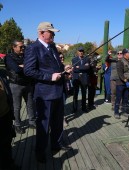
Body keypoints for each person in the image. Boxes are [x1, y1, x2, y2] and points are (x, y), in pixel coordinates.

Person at [24, 22, 72, 163]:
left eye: (53, 32)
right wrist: (49, 77)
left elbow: (57, 65)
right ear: (41, 33)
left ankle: (56, 144)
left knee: (57, 122)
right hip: (45, 94)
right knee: (44, 125)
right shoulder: (33, 48)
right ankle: (40, 152)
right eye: (51, 32)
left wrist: (65, 68)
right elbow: (28, 70)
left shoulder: (52, 47)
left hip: (58, 91)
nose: (53, 34)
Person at [4, 40, 36, 134]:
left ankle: (32, 122)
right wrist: (24, 67)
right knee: (17, 106)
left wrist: (23, 66)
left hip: (27, 83)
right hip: (15, 84)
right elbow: (17, 69)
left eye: (23, 47)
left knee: (30, 104)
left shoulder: (26, 56)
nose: (23, 48)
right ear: (14, 47)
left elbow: (33, 66)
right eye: (20, 47)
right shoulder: (8, 57)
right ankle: (17, 125)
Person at [0, 69, 17, 170]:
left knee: (6, 143)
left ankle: (9, 164)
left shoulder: (1, 72)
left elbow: (8, 93)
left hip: (5, 114)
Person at [114, 48, 129, 119]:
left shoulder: (128, 62)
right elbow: (120, 74)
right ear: (125, 54)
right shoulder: (120, 62)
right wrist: (125, 81)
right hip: (120, 83)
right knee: (118, 98)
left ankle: (124, 111)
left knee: (125, 98)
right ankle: (116, 112)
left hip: (127, 83)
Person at [71, 46, 90, 113]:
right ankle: (74, 108)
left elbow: (87, 68)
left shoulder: (87, 59)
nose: (81, 52)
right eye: (80, 51)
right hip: (76, 78)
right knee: (75, 94)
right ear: (77, 52)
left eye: (82, 51)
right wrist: (82, 67)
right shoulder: (74, 59)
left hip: (84, 78)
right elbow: (74, 69)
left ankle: (84, 108)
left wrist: (79, 67)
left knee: (84, 94)